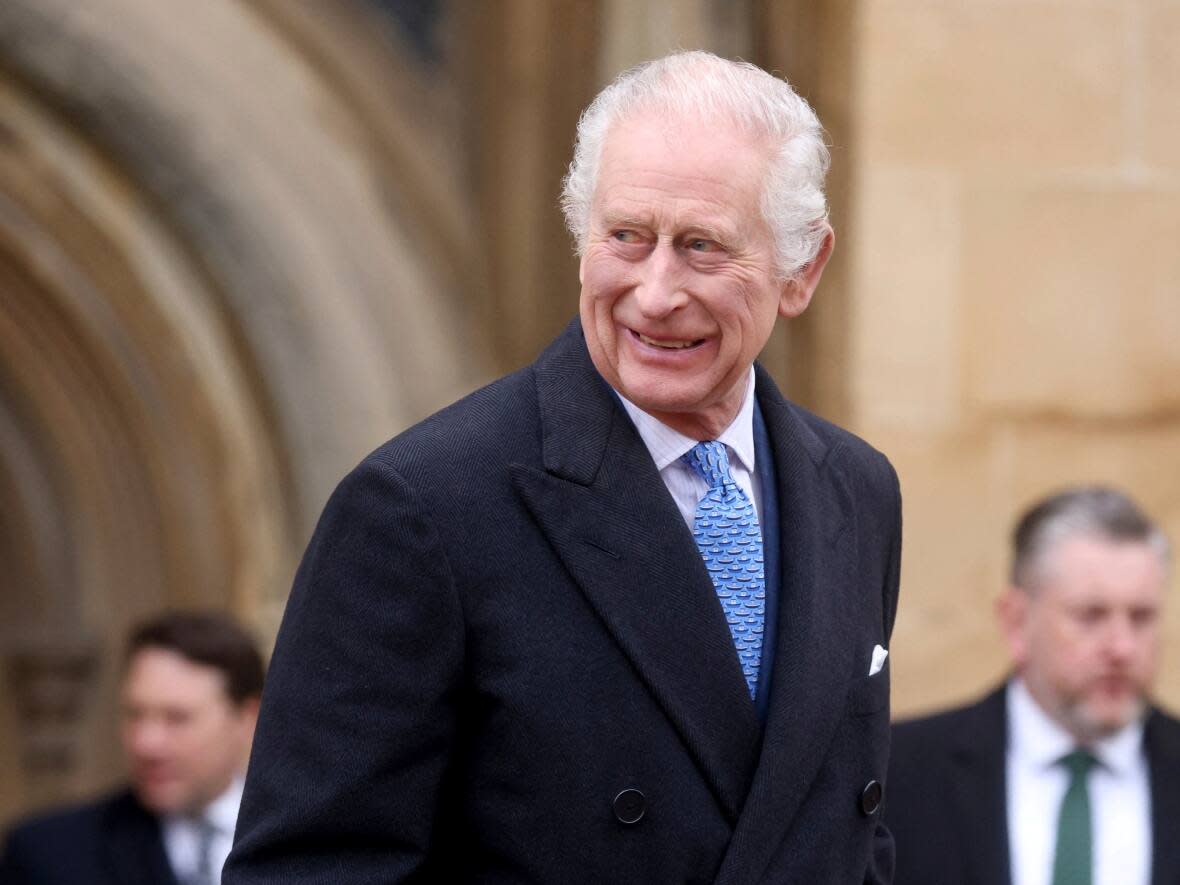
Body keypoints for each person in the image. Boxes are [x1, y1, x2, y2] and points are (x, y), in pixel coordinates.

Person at [226, 50, 902, 884]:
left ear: (802, 270)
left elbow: (847, 837)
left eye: (701, 247)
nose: (655, 293)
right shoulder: (424, 506)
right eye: (626, 237)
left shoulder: (858, 491)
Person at [887, 486, 1179, 885]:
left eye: (1141, 617)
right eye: (1091, 616)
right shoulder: (899, 773)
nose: (1123, 647)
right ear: (1016, 622)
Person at [0, 610, 265, 885]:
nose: (145, 743)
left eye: (177, 718)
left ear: (249, 719)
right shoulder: (48, 853)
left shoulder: (298, 843)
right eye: (134, 714)